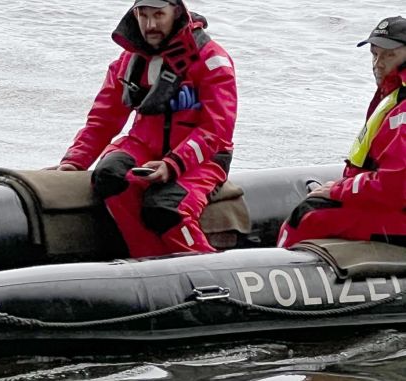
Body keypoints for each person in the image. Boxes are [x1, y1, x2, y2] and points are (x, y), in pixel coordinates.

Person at [52, 0, 237, 258]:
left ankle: (208, 269)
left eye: (159, 15)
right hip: (145, 145)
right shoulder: (129, 60)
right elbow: (104, 118)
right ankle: (146, 260)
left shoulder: (211, 59)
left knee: (165, 208)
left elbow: (217, 130)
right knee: (109, 176)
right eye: (143, 15)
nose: (150, 25)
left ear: (177, 12)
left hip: (203, 157)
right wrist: (74, 161)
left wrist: (173, 164)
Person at [278, 17, 406, 248]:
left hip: (399, 211)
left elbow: (395, 184)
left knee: (307, 217)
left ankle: (277, 276)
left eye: (389, 55)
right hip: (393, 203)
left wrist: (338, 190)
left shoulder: (402, 108)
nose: (378, 63)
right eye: (374, 54)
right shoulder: (393, 97)